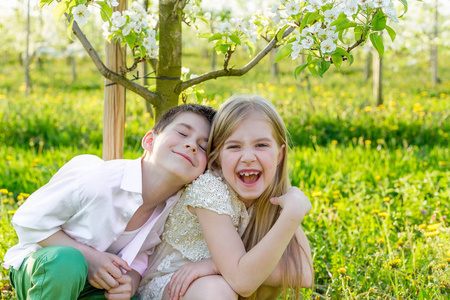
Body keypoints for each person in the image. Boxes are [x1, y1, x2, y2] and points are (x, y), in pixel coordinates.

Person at [1, 104, 216, 300]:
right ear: (149, 140)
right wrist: (89, 258)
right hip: (43, 268)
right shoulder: (99, 180)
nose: (191, 145)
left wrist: (132, 278)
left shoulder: (173, 207)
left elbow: (143, 250)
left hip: (94, 285)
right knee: (68, 262)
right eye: (182, 133)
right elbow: (28, 219)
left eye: (203, 146)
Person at [137, 95, 313, 300]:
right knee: (218, 289)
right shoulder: (209, 189)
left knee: (247, 282)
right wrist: (292, 215)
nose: (248, 157)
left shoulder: (274, 195)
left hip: (218, 284)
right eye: (234, 146)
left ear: (280, 155)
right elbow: (243, 282)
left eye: (261, 145)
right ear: (218, 156)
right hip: (173, 285)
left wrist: (214, 266)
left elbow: (303, 273)